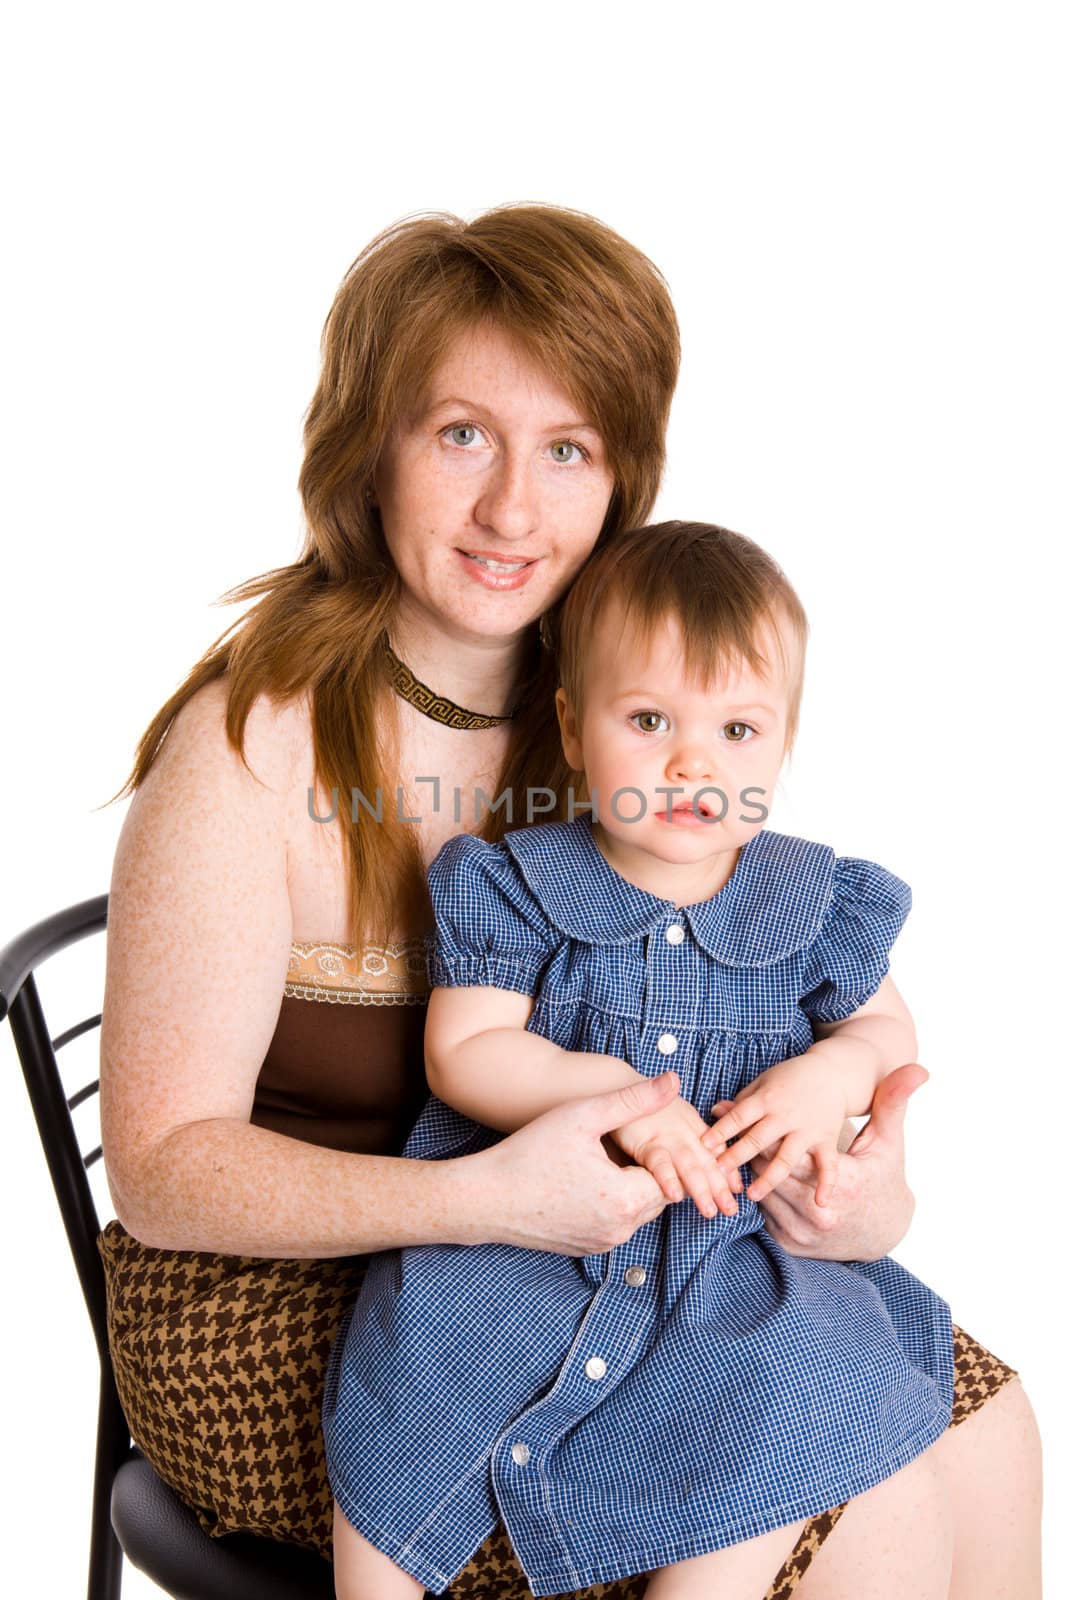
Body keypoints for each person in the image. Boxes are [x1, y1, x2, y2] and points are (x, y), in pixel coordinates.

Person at [96, 206, 1039, 1600]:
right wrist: (478, 1200)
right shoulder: (256, 745)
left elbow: (767, 1008)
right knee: (856, 1507)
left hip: (609, 1254)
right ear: (370, 447)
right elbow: (167, 1176)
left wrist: (848, 1176)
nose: (510, 512)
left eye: (567, 450)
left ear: (622, 477)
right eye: (459, 434)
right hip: (283, 1301)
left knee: (982, 1423)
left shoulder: (624, 724)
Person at [323, 520, 954, 1599]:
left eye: (738, 730)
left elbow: (885, 1032)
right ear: (571, 729)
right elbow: (465, 1049)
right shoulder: (517, 883)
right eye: (648, 719)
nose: (690, 763)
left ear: (785, 743)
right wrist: (603, 1094)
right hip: (529, 1239)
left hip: (731, 1259)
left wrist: (828, 1076)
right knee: (417, 1368)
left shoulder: (811, 904)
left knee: (796, 1389)